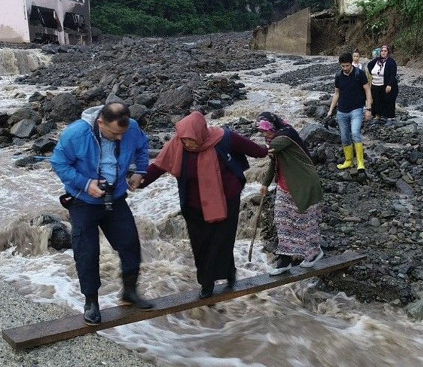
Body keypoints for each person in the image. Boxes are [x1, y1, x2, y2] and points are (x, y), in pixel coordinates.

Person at [141, 111, 268, 299]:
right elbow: (158, 166)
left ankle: (221, 277)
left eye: (191, 140)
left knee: (222, 240)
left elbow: (254, 150)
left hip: (226, 200)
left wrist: (270, 149)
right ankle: (210, 280)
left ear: (201, 133)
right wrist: (139, 182)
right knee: (200, 244)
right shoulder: (178, 143)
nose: (187, 144)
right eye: (184, 140)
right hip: (193, 205)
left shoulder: (224, 138)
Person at [51, 102, 154, 325]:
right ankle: (91, 302)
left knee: (130, 244)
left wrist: (141, 170)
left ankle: (129, 292)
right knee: (87, 252)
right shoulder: (76, 134)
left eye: (122, 134)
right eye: (114, 133)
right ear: (100, 122)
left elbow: (142, 147)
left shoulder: (132, 127)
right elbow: (59, 163)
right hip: (83, 200)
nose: (119, 138)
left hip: (115, 197)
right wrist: (86, 183)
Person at [256, 112, 324, 275]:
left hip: (303, 184)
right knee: (282, 222)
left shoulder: (286, 135)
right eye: (262, 132)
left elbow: (266, 151)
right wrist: (265, 183)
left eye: (266, 130)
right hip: (284, 186)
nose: (264, 134)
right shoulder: (273, 140)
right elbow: (274, 162)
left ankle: (314, 253)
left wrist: (238, 145)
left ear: (273, 126)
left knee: (306, 222)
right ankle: (285, 260)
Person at [326, 52, 373, 172]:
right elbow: (337, 93)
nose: (345, 68)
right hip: (342, 111)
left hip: (356, 109)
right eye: (343, 66)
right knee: (345, 137)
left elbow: (367, 90)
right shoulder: (338, 76)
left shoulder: (359, 74)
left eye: (347, 66)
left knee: (355, 133)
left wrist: (368, 108)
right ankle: (348, 161)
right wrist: (330, 110)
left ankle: (360, 162)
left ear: (351, 63)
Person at [366, 44, 399, 123]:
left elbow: (393, 74)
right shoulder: (376, 60)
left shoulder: (391, 62)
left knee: (388, 101)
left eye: (385, 51)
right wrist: (373, 74)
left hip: (386, 84)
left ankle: (390, 117)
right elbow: (369, 65)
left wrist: (389, 85)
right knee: (376, 100)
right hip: (375, 83)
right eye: (382, 51)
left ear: (388, 52)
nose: (383, 52)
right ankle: (377, 116)